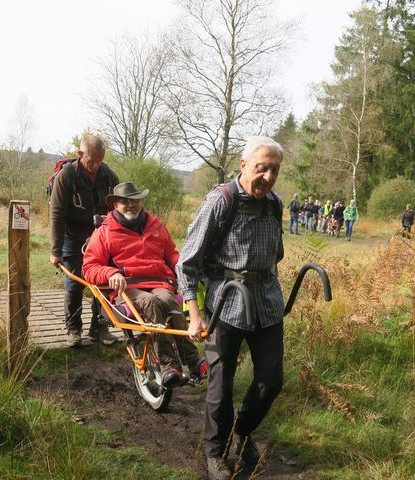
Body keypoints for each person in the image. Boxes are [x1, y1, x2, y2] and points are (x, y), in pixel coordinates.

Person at [177, 136, 285, 480]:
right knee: (220, 384)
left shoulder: (274, 203)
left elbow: (275, 254)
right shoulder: (221, 201)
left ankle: (242, 430)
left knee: (271, 379)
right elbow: (187, 263)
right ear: (243, 166)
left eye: (274, 170)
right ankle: (215, 452)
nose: (267, 177)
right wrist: (194, 314)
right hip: (227, 303)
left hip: (267, 303)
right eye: (260, 168)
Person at [82, 182, 206, 386]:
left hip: (160, 281)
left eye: (135, 200)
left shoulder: (156, 224)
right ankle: (169, 366)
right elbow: (89, 267)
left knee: (168, 300)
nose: (130, 205)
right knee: (151, 302)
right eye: (124, 202)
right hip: (128, 286)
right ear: (115, 205)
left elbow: (172, 255)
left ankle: (193, 361)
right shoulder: (105, 231)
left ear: (141, 201)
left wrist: (185, 269)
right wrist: (110, 272)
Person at [50, 134, 119, 348]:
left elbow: (118, 212)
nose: (96, 166)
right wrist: (56, 250)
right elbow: (57, 214)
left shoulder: (109, 177)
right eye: (91, 161)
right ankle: (73, 329)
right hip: (73, 237)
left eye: (100, 161)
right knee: (75, 284)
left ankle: (99, 328)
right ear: (80, 155)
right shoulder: (66, 177)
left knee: (104, 283)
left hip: (101, 239)